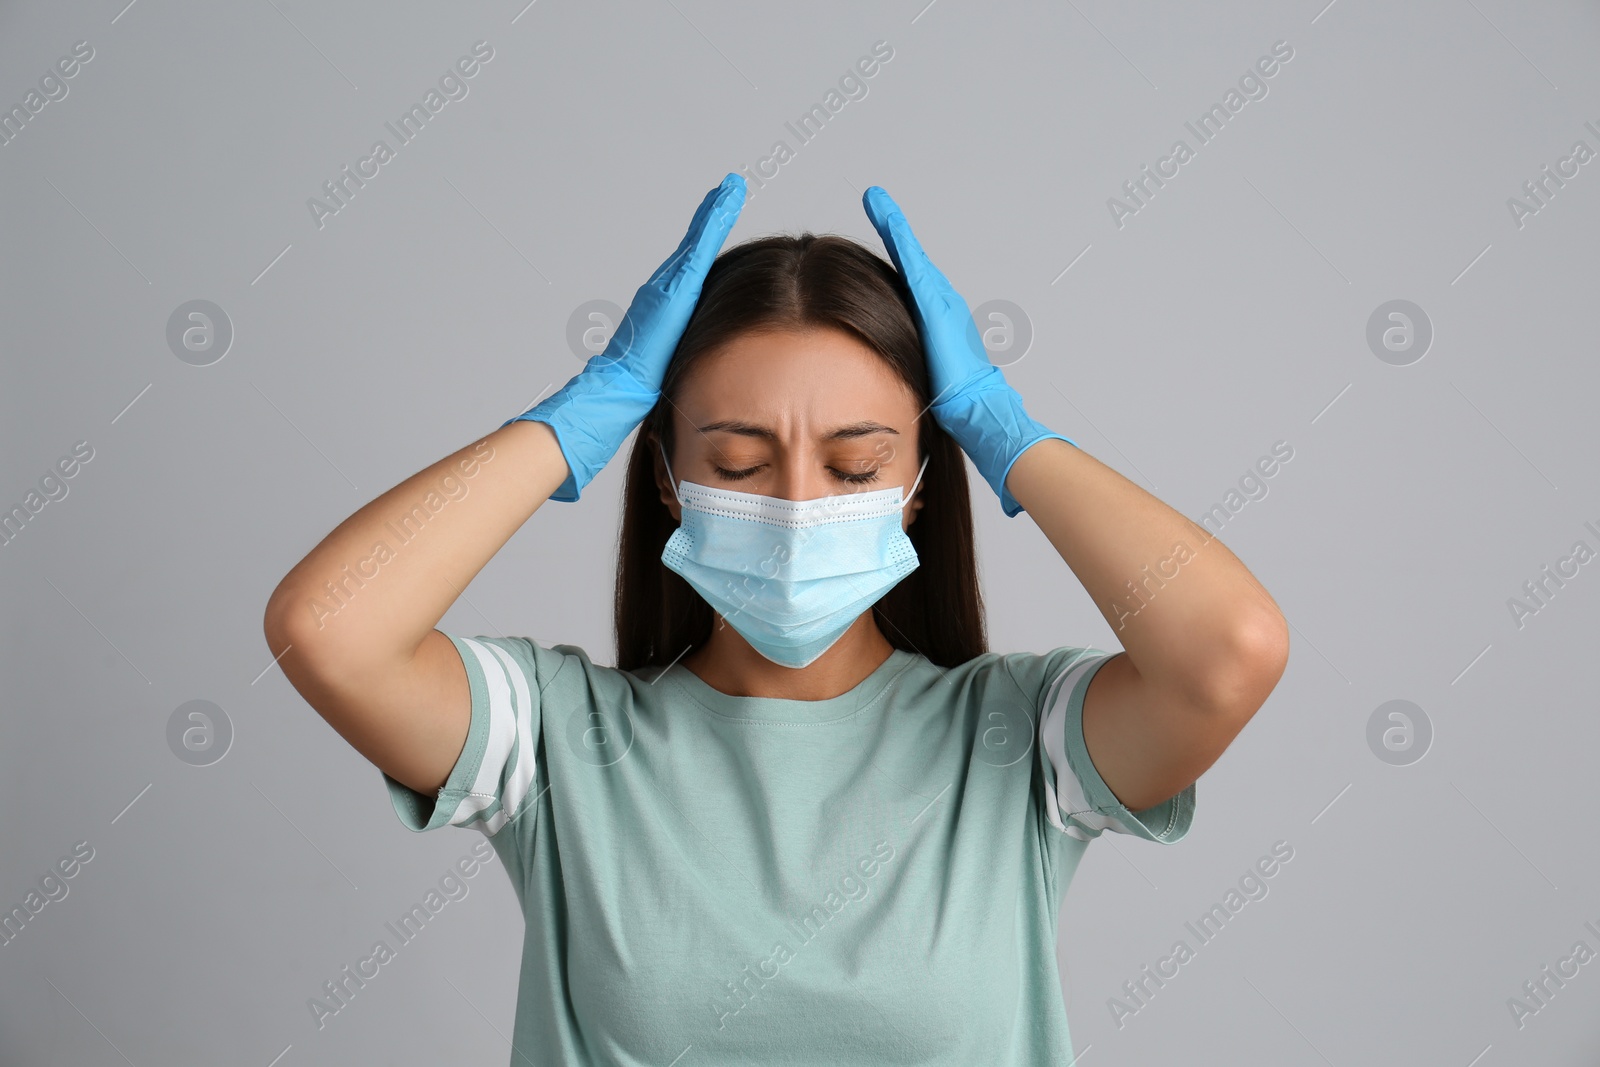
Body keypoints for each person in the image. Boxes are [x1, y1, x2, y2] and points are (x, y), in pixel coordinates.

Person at [262, 173, 1289, 1065]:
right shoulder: (553, 742)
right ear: (665, 475)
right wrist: (587, 410)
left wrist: (1000, 425)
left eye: (854, 463)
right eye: (741, 463)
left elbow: (1227, 650)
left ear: (919, 485)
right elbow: (329, 627)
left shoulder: (1015, 743)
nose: (799, 506)